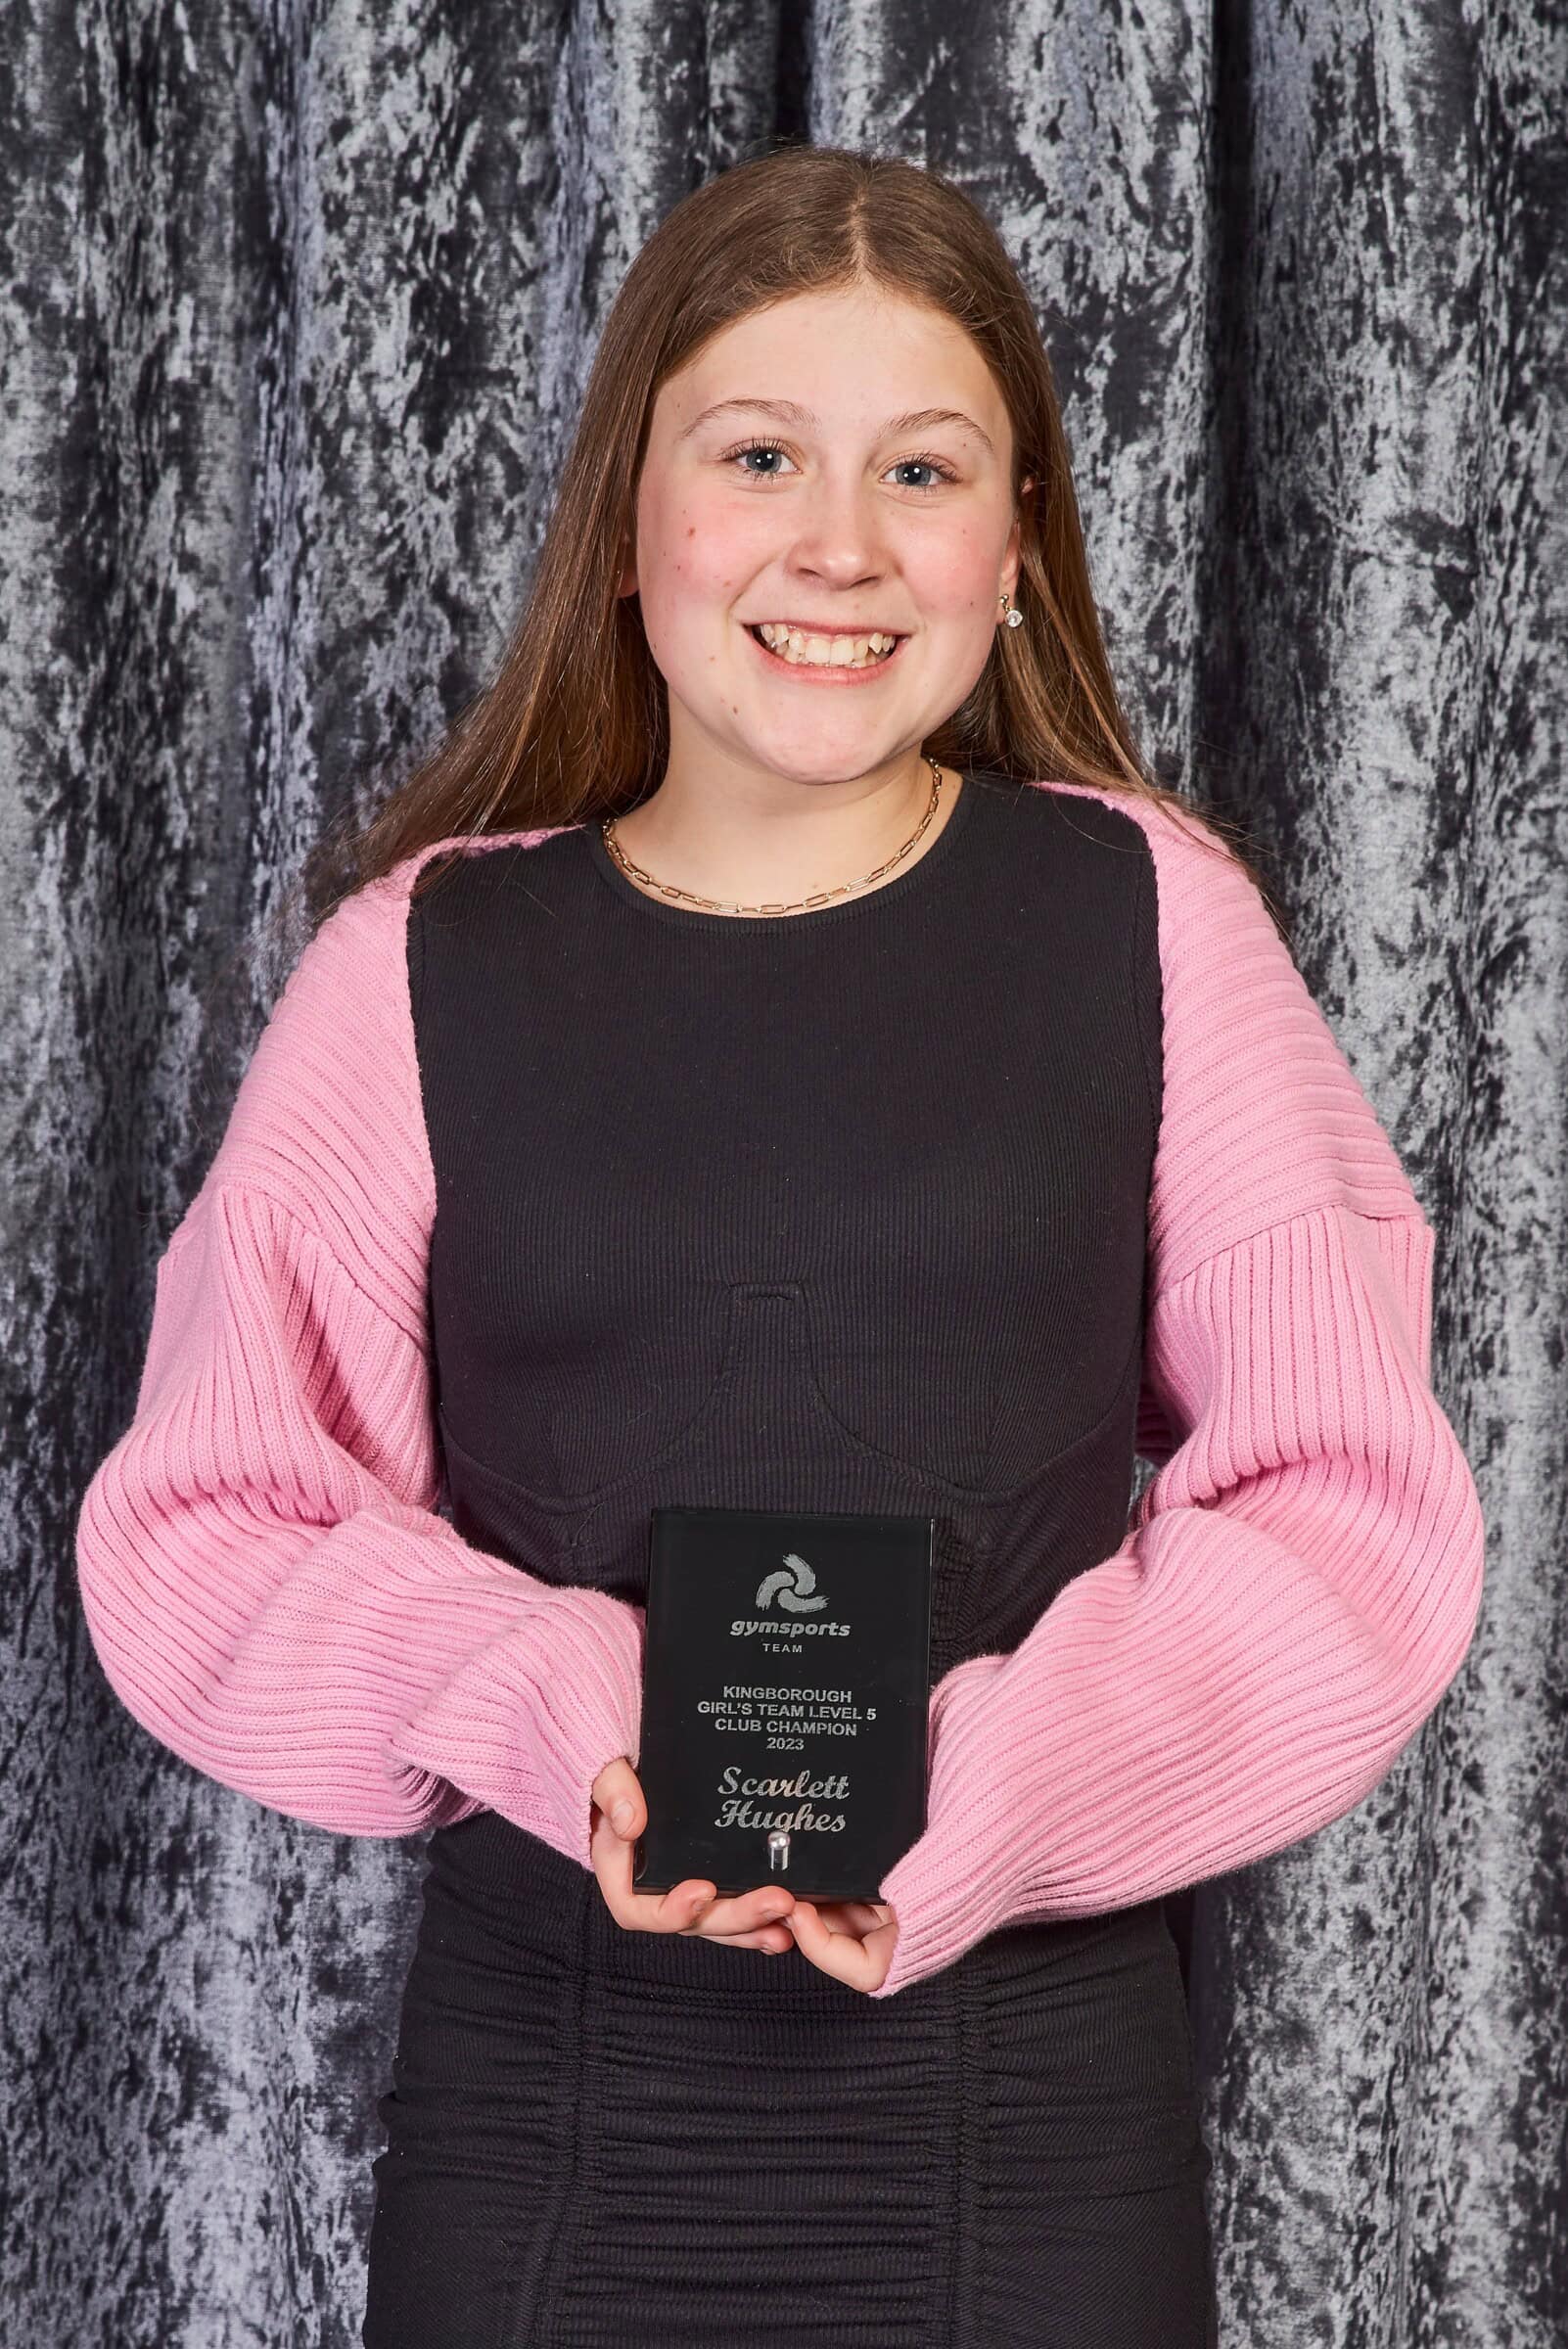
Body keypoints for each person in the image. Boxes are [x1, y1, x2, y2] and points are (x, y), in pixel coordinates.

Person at [73, 144, 1486, 2348]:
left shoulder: (1149, 918)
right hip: (547, 2137)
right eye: (757, 456)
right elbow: (214, 1521)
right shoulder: (417, 963)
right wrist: (555, 1705)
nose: (840, 544)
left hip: (1024, 2140)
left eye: (922, 469)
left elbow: (1348, 1508)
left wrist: (990, 1794)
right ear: (629, 517)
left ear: (1014, 547)